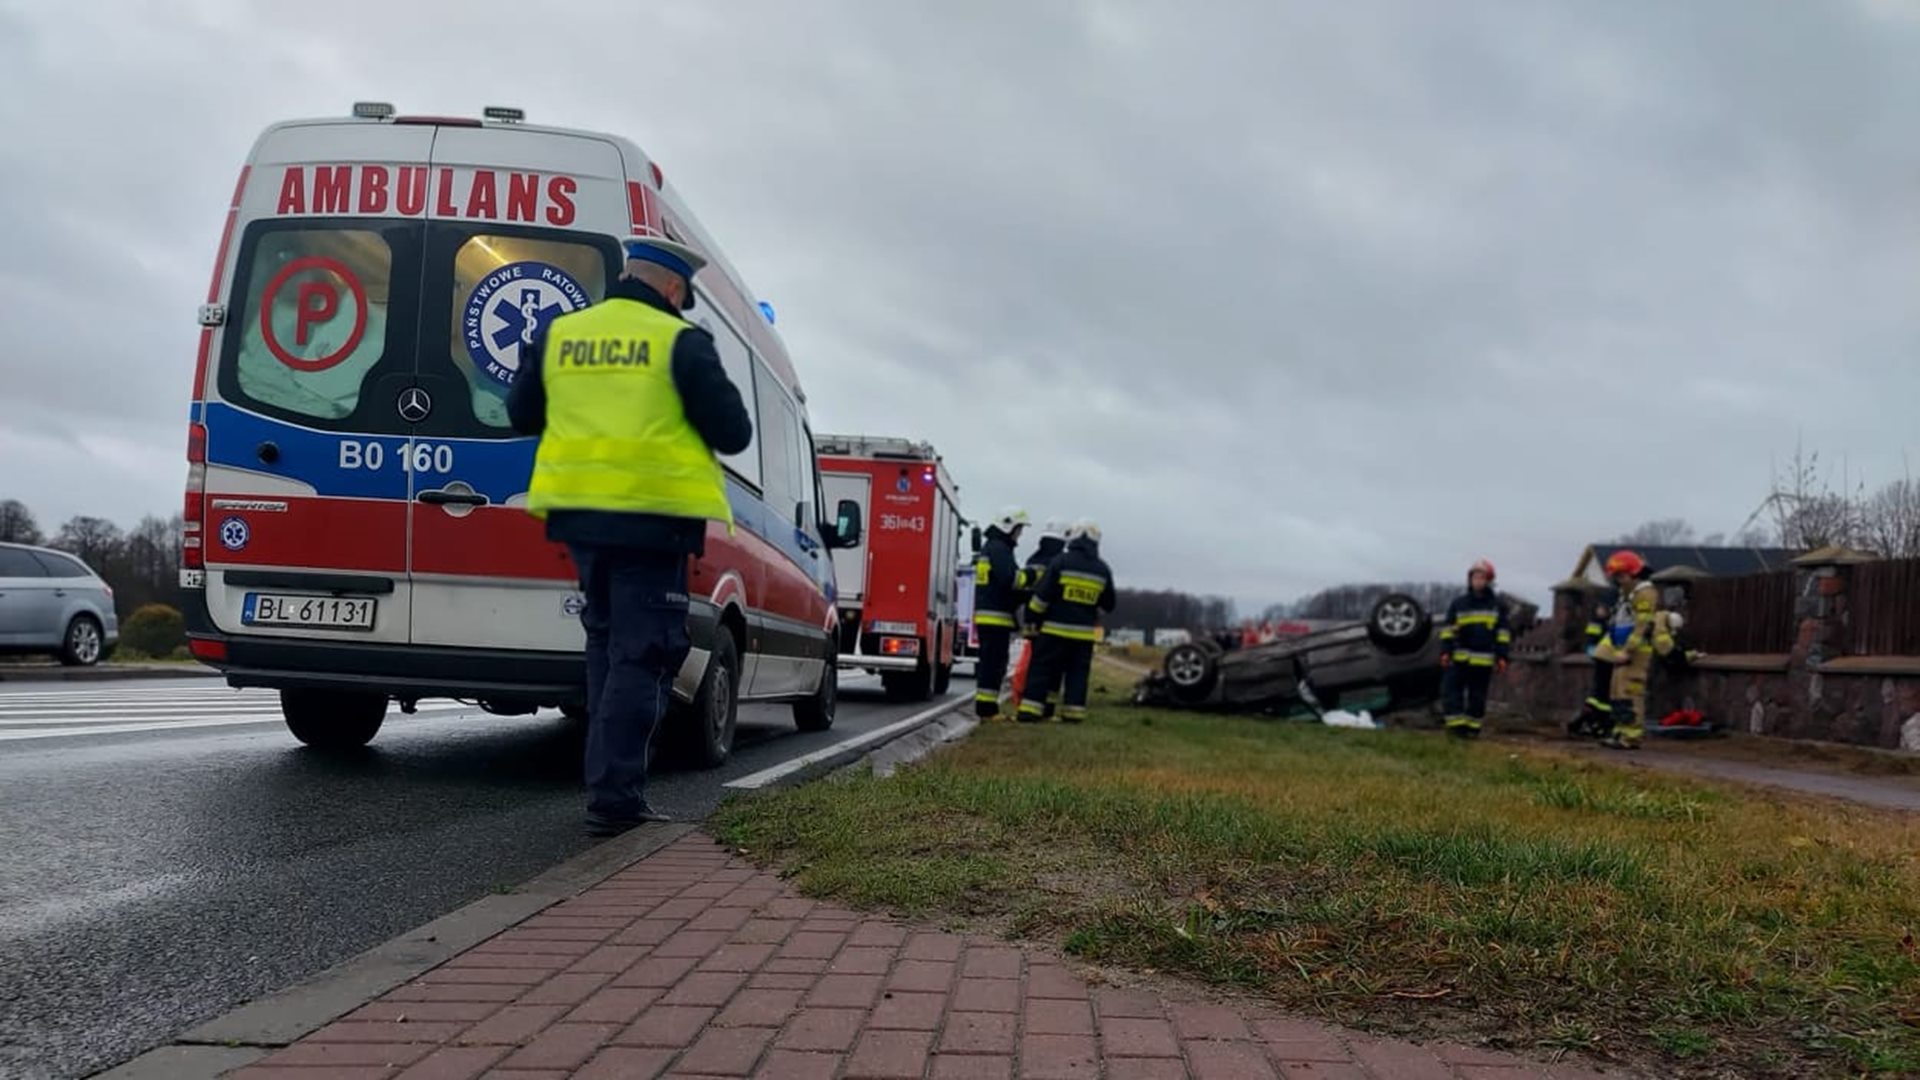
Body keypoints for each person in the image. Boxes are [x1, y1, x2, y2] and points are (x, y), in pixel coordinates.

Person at [508, 233, 752, 836]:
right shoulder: (678, 342)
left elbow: (522, 413)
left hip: (580, 520)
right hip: (652, 521)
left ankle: (607, 789)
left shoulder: (560, 334)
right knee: (643, 656)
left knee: (606, 649)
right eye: (682, 295)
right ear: (671, 287)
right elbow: (733, 431)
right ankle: (615, 801)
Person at [1018, 519, 1116, 724]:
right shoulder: (1102, 569)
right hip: (1083, 636)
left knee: (1041, 669)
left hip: (1053, 632)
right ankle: (1073, 714)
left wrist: (1033, 617)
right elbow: (1109, 604)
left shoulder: (1060, 562)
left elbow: (1042, 596)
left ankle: (1030, 711)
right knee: (1077, 674)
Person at [1589, 550, 1662, 750]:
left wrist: (1628, 651)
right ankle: (1620, 730)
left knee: (1630, 691)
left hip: (1635, 652)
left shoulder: (1645, 593)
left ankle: (1631, 736)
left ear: (1634, 573)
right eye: (1616, 577)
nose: (1618, 581)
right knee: (1617, 691)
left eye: (1621, 576)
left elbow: (1641, 626)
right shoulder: (1628, 593)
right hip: (1621, 649)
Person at [1437, 559, 1511, 738]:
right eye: (1475, 577)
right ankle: (1456, 727)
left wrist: (1502, 656)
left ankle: (1472, 728)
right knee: (1450, 691)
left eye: (1481, 577)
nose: (1477, 581)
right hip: (1459, 657)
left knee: (1477, 696)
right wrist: (1445, 651)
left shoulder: (1497, 606)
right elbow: (1447, 630)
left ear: (1489, 581)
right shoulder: (1459, 604)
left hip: (1482, 660)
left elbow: (1503, 633)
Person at [970, 507, 1030, 719]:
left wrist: (1022, 595)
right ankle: (987, 709)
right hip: (996, 618)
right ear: (1008, 527)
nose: (1019, 535)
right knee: (994, 665)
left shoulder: (992, 548)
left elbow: (1000, 584)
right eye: (1018, 529)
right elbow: (1010, 580)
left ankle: (987, 707)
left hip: (990, 615)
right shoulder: (999, 550)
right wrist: (1031, 577)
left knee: (991, 663)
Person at [1012, 519, 1068, 716]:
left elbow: (1023, 591)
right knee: (1053, 668)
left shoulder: (1032, 560)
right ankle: (1046, 707)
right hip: (1052, 623)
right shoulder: (1059, 562)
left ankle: (1028, 702)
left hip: (1032, 622)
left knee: (1034, 664)